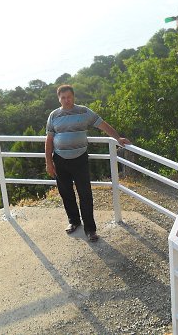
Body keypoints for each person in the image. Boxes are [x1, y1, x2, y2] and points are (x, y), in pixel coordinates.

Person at [45, 84, 130, 242]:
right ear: (59, 99)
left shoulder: (84, 111)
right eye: (63, 97)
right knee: (66, 193)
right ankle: (74, 222)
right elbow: (49, 140)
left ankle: (90, 230)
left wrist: (118, 138)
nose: (66, 100)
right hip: (60, 160)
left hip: (80, 159)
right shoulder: (54, 115)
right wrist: (49, 162)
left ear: (73, 97)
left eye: (69, 97)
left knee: (85, 194)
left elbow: (103, 125)